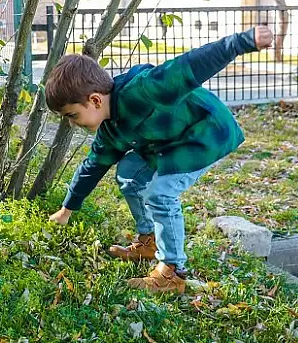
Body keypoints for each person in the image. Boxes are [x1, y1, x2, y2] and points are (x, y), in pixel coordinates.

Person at [44, 26, 273, 294]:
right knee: (128, 173)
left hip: (205, 135)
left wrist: (242, 41)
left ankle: (172, 272)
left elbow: (190, 66)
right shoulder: (110, 130)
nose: (72, 124)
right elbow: (91, 168)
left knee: (161, 194)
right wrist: (66, 210)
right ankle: (150, 240)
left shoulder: (145, 89)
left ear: (94, 100)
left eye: (72, 115)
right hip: (168, 143)